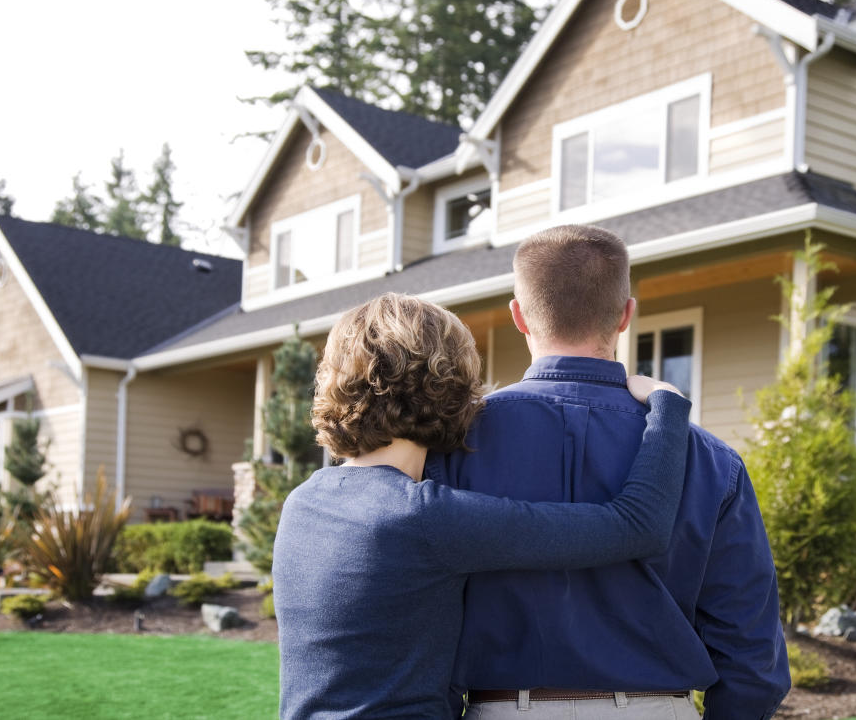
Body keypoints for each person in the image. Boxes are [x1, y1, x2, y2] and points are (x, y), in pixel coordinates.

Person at [427, 224, 792, 719]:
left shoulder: (451, 446)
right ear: (625, 314)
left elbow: (420, 619)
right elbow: (752, 655)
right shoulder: (709, 459)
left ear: (518, 315)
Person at [272, 293, 692, 720]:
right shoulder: (423, 518)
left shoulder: (302, 504)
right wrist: (668, 405)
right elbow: (638, 526)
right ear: (450, 391)